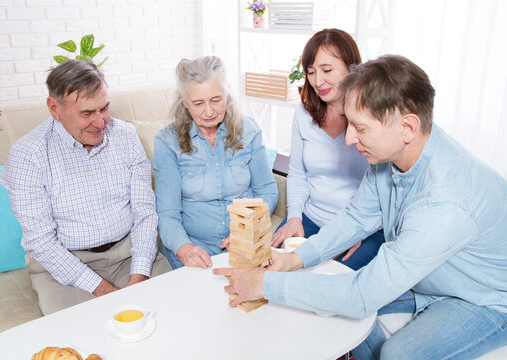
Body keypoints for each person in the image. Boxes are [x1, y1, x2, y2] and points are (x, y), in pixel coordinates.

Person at [214, 55, 507, 360]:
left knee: (397, 354)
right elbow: (356, 217)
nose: (350, 138)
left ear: (407, 127)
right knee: (330, 313)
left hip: (483, 300)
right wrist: (294, 259)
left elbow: (360, 295)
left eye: (360, 128)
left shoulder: (445, 203)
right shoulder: (394, 155)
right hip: (429, 277)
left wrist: (265, 284)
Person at [1, 60, 158, 315]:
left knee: (174, 314)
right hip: (65, 267)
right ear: (54, 108)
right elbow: (41, 241)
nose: (100, 122)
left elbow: (145, 213)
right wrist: (106, 291)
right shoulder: (27, 156)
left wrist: (138, 276)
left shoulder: (126, 136)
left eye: (104, 108)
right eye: (87, 113)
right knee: (83, 341)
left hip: (131, 254)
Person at [271, 28, 384, 270]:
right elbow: (298, 173)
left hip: (362, 226)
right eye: (311, 72)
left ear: (352, 67)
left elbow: (387, 186)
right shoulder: (304, 112)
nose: (318, 81)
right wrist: (294, 217)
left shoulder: (374, 112)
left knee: (326, 286)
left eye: (327, 70)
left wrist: (360, 228)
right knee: (271, 268)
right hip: (311, 217)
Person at [154, 56, 278, 270]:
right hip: (194, 248)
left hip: (245, 242)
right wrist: (184, 249)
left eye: (216, 100)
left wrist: (247, 230)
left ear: (227, 96)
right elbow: (168, 214)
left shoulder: (249, 130)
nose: (209, 112)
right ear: (184, 102)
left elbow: (266, 189)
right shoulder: (167, 142)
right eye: (198, 103)